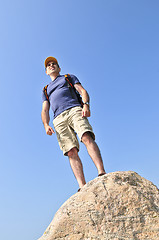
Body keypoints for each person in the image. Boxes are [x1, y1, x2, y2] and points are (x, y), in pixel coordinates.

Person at [41, 56, 106, 191]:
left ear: (59, 68)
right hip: (58, 119)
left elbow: (82, 91)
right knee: (70, 151)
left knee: (86, 137)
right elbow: (45, 109)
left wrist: (86, 105)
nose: (51, 65)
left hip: (74, 109)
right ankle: (82, 186)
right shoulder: (46, 89)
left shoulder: (68, 77)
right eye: (48, 65)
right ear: (46, 71)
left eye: (54, 64)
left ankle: (101, 172)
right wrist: (46, 125)